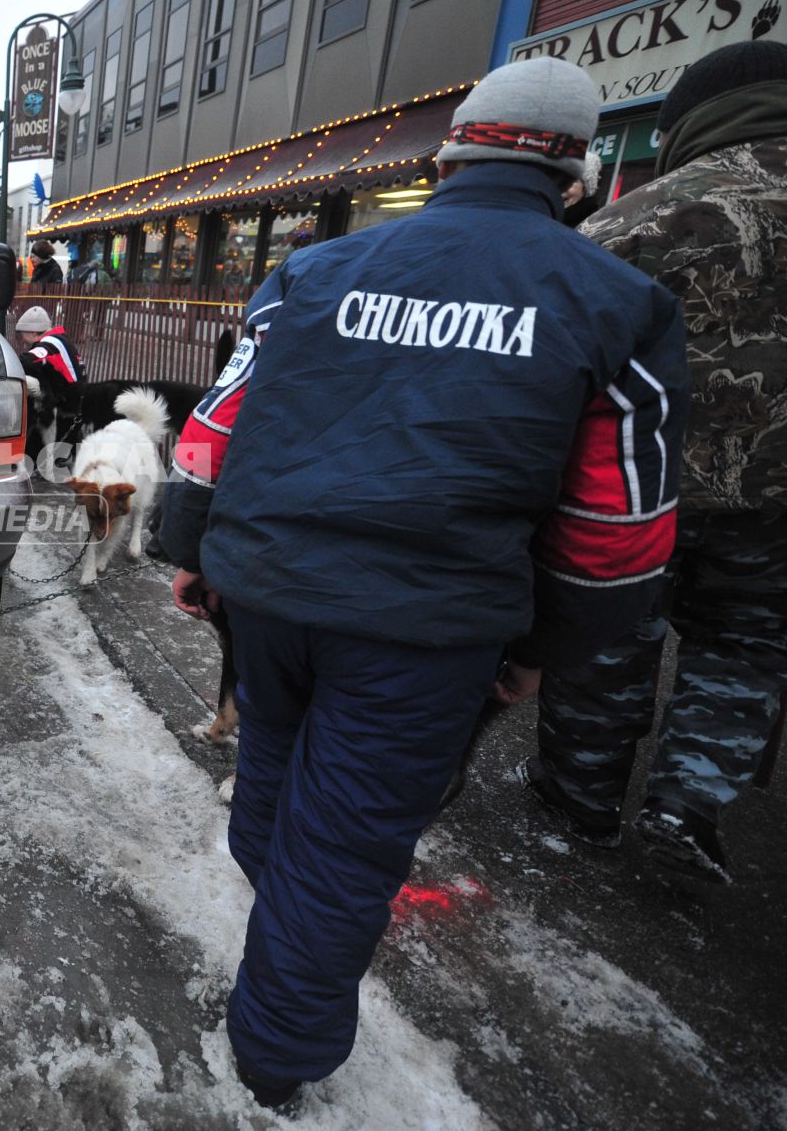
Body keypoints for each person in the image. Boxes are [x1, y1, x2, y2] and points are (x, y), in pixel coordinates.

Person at [157, 58, 688, 1107]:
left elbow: (217, 425)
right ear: (575, 173)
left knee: (277, 790)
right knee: (345, 842)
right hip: (424, 626)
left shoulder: (315, 272)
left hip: (269, 591)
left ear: (452, 152)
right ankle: (271, 1063)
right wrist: (548, 651)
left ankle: (287, 924)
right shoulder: (616, 303)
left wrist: (193, 551)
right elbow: (616, 521)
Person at [523, 40, 787, 884]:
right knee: (742, 648)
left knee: (609, 634)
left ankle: (580, 795)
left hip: (640, 486)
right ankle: (688, 802)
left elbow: (562, 358)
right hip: (777, 500)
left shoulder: (631, 221)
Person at [13, 304, 83, 385]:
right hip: (74, 389)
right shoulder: (59, 339)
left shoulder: (49, 343)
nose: (22, 339)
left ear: (33, 332)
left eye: (22, 334)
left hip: (69, 394)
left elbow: (26, 361)